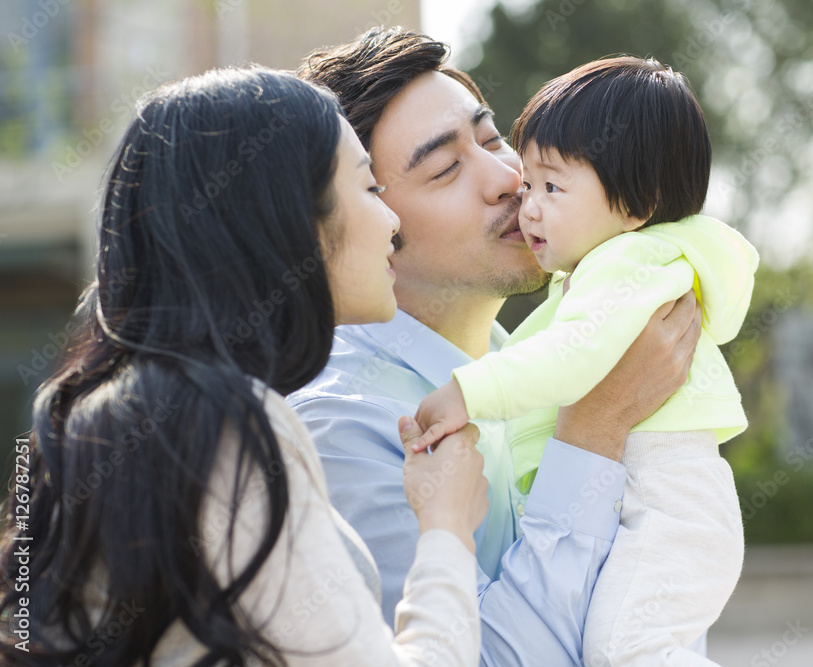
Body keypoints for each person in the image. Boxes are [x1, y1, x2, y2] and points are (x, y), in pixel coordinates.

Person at [0, 66, 489, 666]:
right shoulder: (231, 423)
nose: (392, 223)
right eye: (369, 188)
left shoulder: (103, 417)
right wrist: (447, 527)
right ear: (287, 220)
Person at [291, 29, 706, 665]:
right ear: (366, 218)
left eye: (491, 140)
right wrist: (594, 428)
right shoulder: (341, 429)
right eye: (445, 169)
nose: (510, 179)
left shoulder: (565, 348)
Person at [413, 57, 757, 665]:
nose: (528, 207)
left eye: (553, 187)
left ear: (637, 204)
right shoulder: (618, 267)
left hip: (666, 498)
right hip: (665, 499)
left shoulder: (625, 266)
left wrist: (467, 392)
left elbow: (569, 359)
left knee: (625, 647)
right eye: (529, 185)